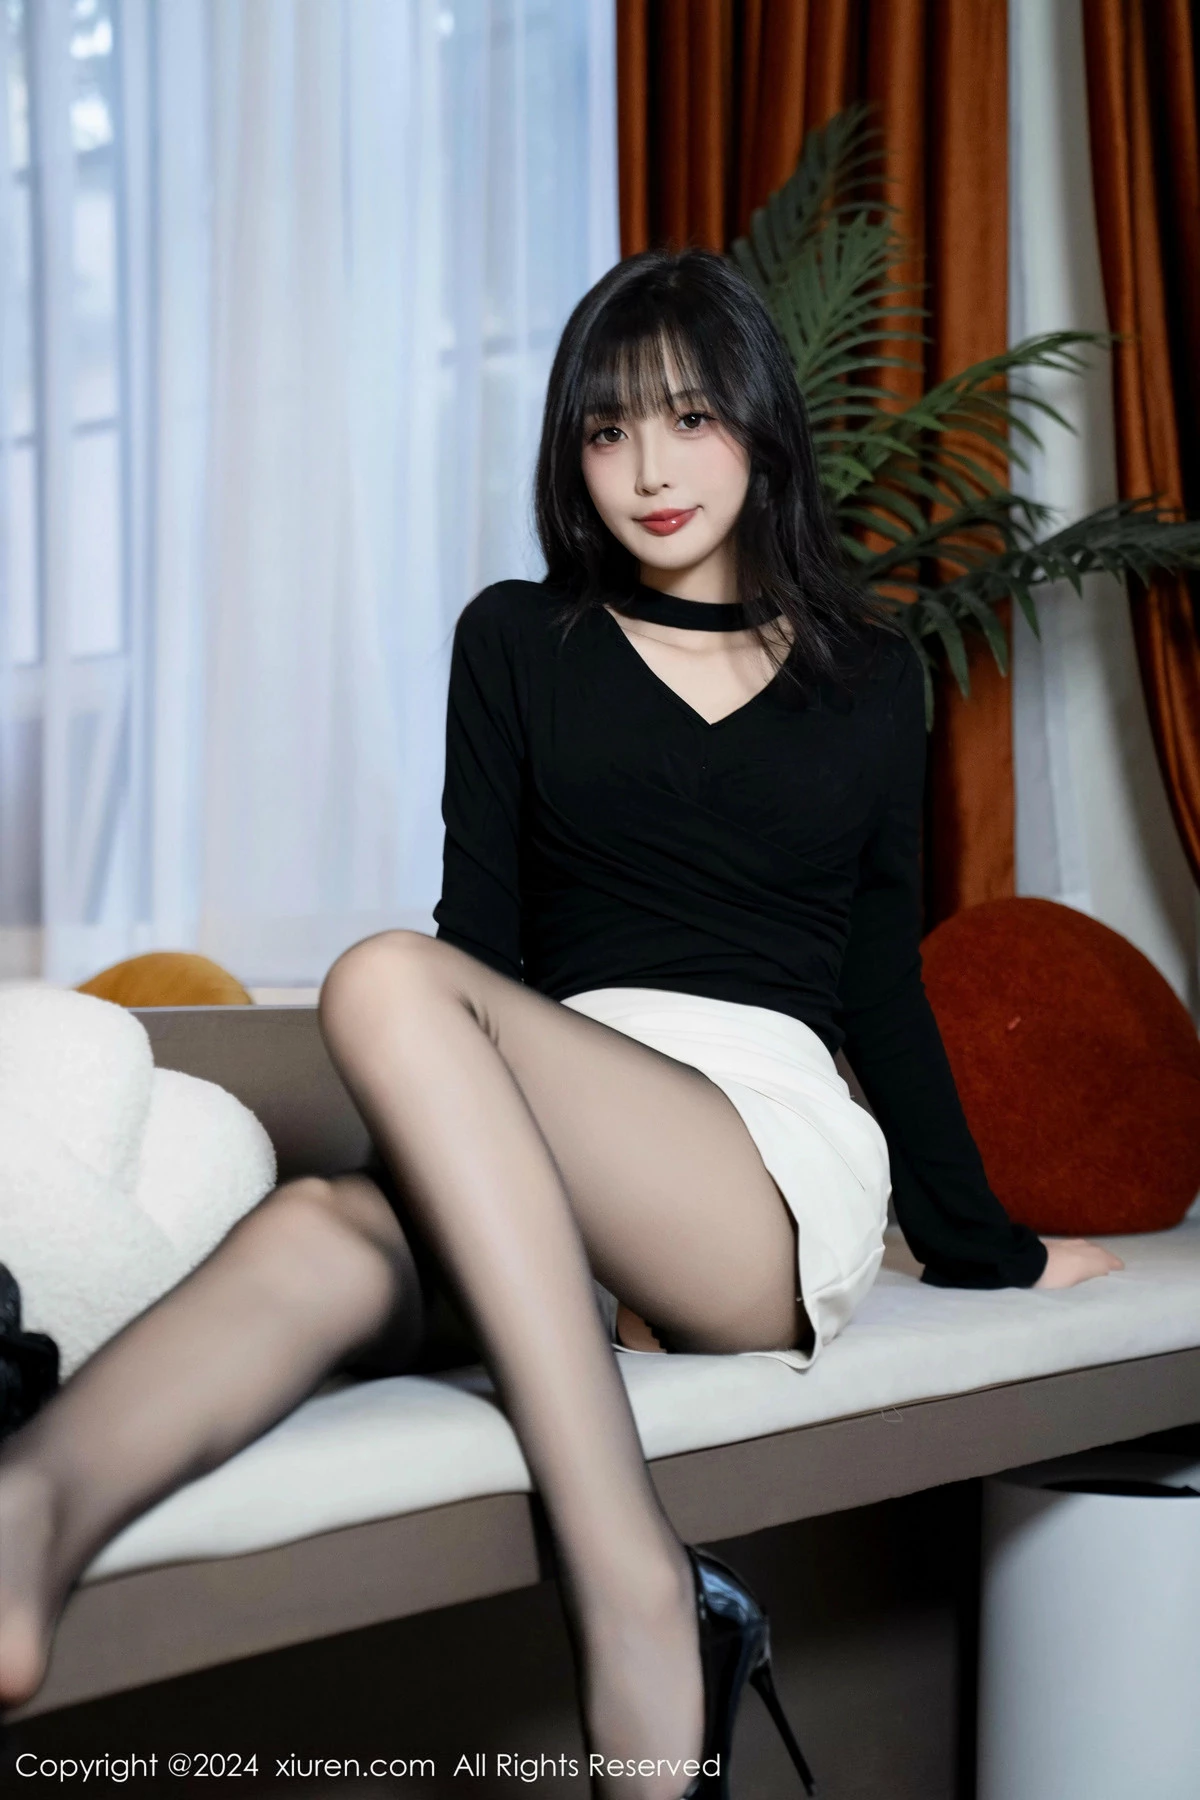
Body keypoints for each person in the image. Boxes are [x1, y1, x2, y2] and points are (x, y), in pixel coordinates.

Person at [0, 249, 1121, 1797]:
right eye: (607, 429)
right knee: (324, 1226)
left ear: (760, 424)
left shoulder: (866, 675)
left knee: (384, 977)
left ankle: (634, 1585)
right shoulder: (518, 642)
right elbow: (487, 954)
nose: (650, 468)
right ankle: (23, 1524)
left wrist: (987, 1245)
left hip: (750, 1162)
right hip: (541, 1141)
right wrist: (445, 1172)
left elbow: (878, 984)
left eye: (688, 418)